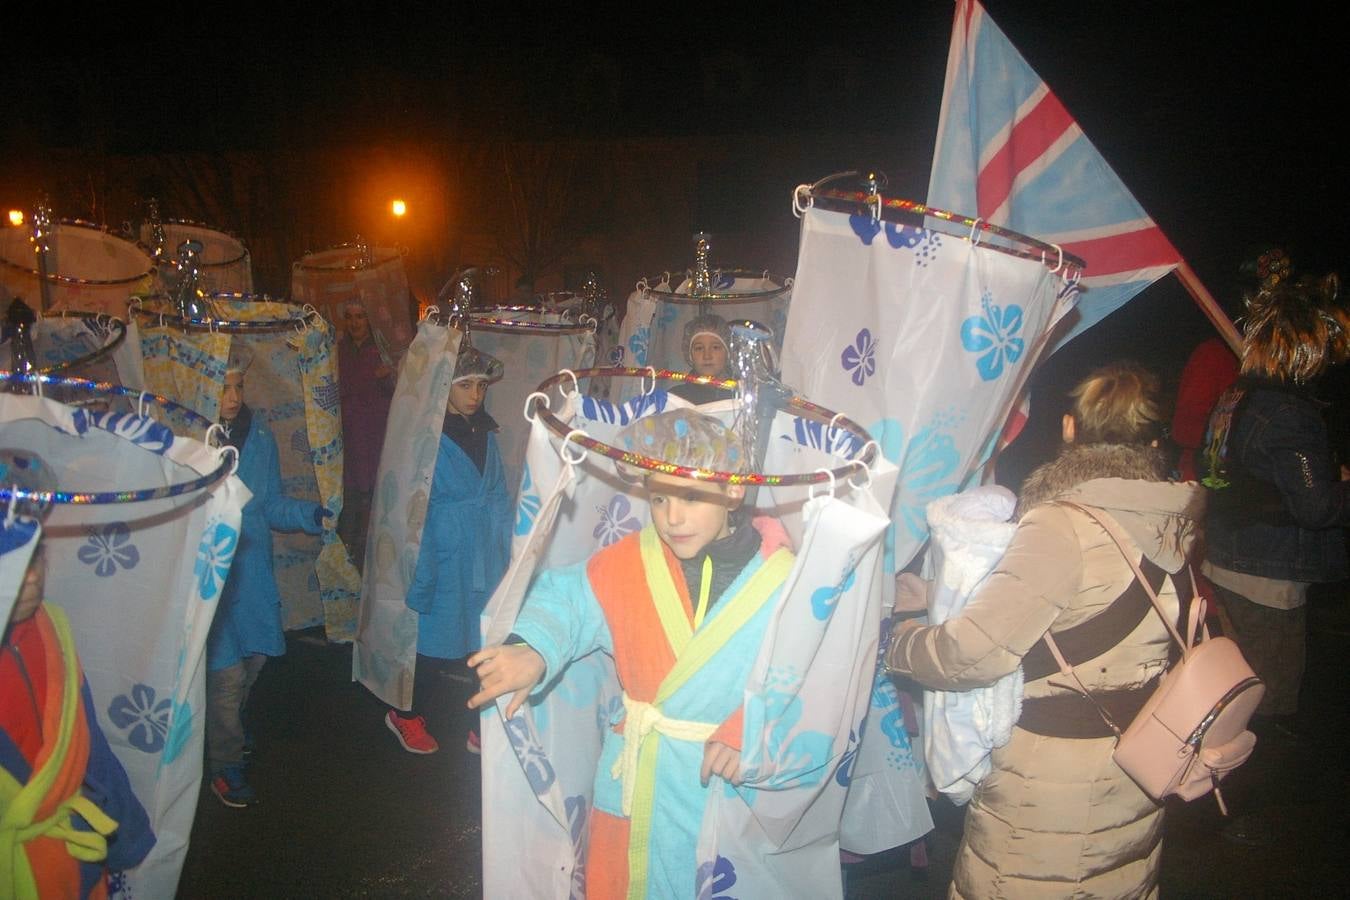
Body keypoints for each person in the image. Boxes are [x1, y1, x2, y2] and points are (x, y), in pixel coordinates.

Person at [887, 362, 1204, 898]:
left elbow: (972, 655)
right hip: (1139, 758)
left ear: (1069, 429)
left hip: (1052, 784)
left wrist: (899, 641)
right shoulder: (1175, 517)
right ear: (1152, 441)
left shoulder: (1061, 525)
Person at [467, 410, 796, 900]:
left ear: (733, 491)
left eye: (689, 495)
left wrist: (749, 727)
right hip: (634, 783)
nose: (672, 516)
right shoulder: (631, 562)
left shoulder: (786, 580)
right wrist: (534, 649)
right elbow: (571, 599)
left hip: (728, 787)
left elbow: (807, 674)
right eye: (659, 497)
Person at [1, 449, 156, 896]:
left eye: (35, 556)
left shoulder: (53, 628)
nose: (31, 578)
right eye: (12, 565)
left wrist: (127, 833)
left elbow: (88, 744)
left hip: (79, 863)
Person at [1201, 273, 1350, 730]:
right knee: (1267, 699)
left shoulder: (1236, 395)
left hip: (1227, 554)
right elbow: (1316, 507)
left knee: (1235, 681)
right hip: (1267, 570)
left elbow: (1239, 473)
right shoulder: (1290, 413)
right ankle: (1248, 785)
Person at [207, 344, 328, 807]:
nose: (233, 395)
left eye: (238, 384)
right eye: (223, 385)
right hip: (213, 570)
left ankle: (225, 729)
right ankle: (224, 761)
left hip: (252, 571)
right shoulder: (190, 435)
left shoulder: (258, 435)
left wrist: (309, 513)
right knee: (225, 676)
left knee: (254, 660)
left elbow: (271, 501)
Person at [384, 343, 511, 756]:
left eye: (480, 386)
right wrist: (423, 573)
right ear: (445, 387)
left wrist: (508, 553)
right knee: (434, 647)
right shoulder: (430, 439)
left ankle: (481, 722)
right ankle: (406, 713)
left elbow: (499, 495)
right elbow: (421, 511)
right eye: (465, 385)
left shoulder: (487, 435)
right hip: (444, 558)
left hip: (484, 557)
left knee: (484, 644)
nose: (475, 394)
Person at [336, 298, 395, 572]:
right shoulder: (339, 351)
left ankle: (371, 555)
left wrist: (385, 377)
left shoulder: (381, 350)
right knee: (350, 494)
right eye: (350, 317)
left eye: (360, 316)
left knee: (372, 491)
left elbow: (397, 388)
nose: (355, 323)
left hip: (374, 432)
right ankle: (346, 556)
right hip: (348, 432)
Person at [668, 313, 736, 404]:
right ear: (690, 354)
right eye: (699, 348)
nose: (707, 356)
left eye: (715, 347)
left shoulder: (741, 394)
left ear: (728, 352)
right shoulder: (675, 398)